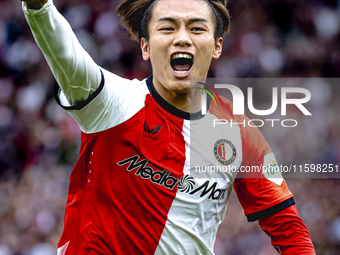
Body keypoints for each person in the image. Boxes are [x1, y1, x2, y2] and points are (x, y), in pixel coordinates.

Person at [21, 0, 316, 254]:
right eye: (168, 27)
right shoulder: (114, 104)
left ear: (217, 47)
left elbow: (288, 227)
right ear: (146, 47)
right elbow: (67, 57)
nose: (183, 38)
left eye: (197, 28)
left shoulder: (237, 132)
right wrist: (39, 7)